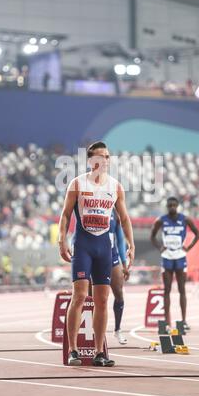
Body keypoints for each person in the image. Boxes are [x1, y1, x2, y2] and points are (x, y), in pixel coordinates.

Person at [58, 141, 135, 366]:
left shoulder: (115, 186)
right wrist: (61, 240)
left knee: (102, 299)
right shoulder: (77, 183)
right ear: (91, 161)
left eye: (108, 156)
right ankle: (73, 350)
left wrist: (131, 244)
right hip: (83, 244)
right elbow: (64, 215)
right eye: (100, 156)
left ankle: (99, 352)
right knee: (80, 295)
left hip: (104, 246)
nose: (105, 160)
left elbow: (125, 218)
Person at [150, 197, 199, 331]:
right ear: (167, 206)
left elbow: (197, 234)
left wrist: (188, 247)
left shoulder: (185, 219)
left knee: (181, 289)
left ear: (177, 206)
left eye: (174, 205)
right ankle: (167, 322)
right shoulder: (161, 220)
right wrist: (160, 247)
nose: (172, 207)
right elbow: (152, 236)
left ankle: (183, 320)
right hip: (166, 257)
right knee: (167, 290)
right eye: (170, 205)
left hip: (180, 256)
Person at [110, 208, 129, 344]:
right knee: (91, 297)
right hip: (93, 256)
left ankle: (117, 329)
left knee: (119, 293)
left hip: (112, 256)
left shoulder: (115, 213)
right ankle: (90, 331)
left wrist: (124, 263)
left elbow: (120, 240)